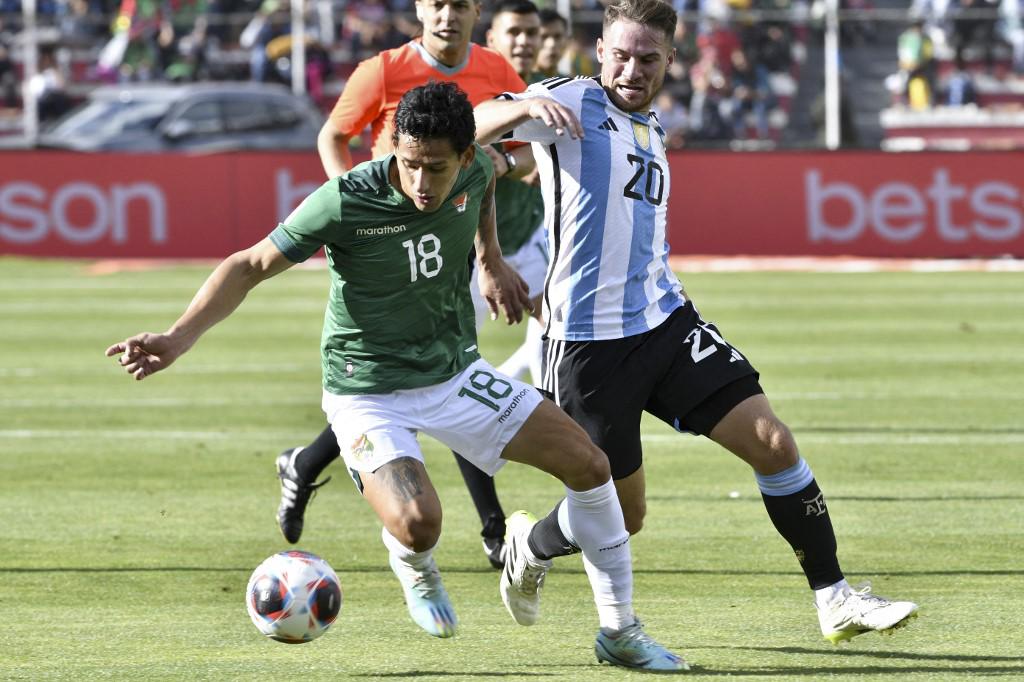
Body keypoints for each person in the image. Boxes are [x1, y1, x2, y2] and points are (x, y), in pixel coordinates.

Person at [106, 82, 685, 671]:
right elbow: (249, 264)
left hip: (455, 374)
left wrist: (490, 259)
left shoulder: (475, 169)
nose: (420, 182)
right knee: (418, 524)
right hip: (367, 391)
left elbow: (491, 178)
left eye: (435, 168)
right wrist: (176, 339)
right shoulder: (345, 200)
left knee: (591, 466)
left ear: (462, 157)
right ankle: (411, 562)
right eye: (408, 165)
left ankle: (618, 630)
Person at [474, 0, 920, 645]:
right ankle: (532, 545)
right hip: (588, 348)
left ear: (670, 63)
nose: (632, 69)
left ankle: (836, 598)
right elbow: (474, 129)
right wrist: (516, 111)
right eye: (621, 55)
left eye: (648, 59)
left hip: (665, 322)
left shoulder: (653, 126)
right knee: (624, 517)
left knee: (773, 442)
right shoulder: (566, 98)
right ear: (600, 51)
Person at [273, 0, 552, 570]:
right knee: (428, 381)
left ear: (477, 10)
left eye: (459, 4)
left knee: (447, 380)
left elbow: (516, 159)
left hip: (452, 248)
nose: (447, 14)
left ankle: (307, 465)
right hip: (389, 254)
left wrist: (489, 243)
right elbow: (335, 135)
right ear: (421, 8)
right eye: (437, 3)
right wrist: (353, 207)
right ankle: (490, 530)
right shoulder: (383, 69)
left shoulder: (497, 72)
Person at [535, 8, 570, 79]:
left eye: (557, 36)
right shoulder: (518, 83)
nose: (552, 44)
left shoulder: (571, 85)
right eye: (543, 37)